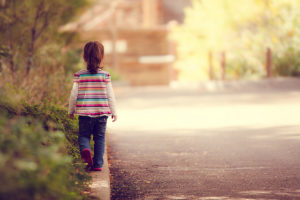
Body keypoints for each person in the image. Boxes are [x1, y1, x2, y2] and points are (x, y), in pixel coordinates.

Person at [68, 41, 117, 171]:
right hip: (102, 113)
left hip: (84, 114)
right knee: (100, 138)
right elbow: (110, 95)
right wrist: (114, 111)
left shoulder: (79, 75)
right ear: (102, 57)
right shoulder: (105, 75)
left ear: (84, 57)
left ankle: (85, 149)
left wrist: (71, 110)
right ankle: (98, 164)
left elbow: (74, 94)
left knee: (84, 136)